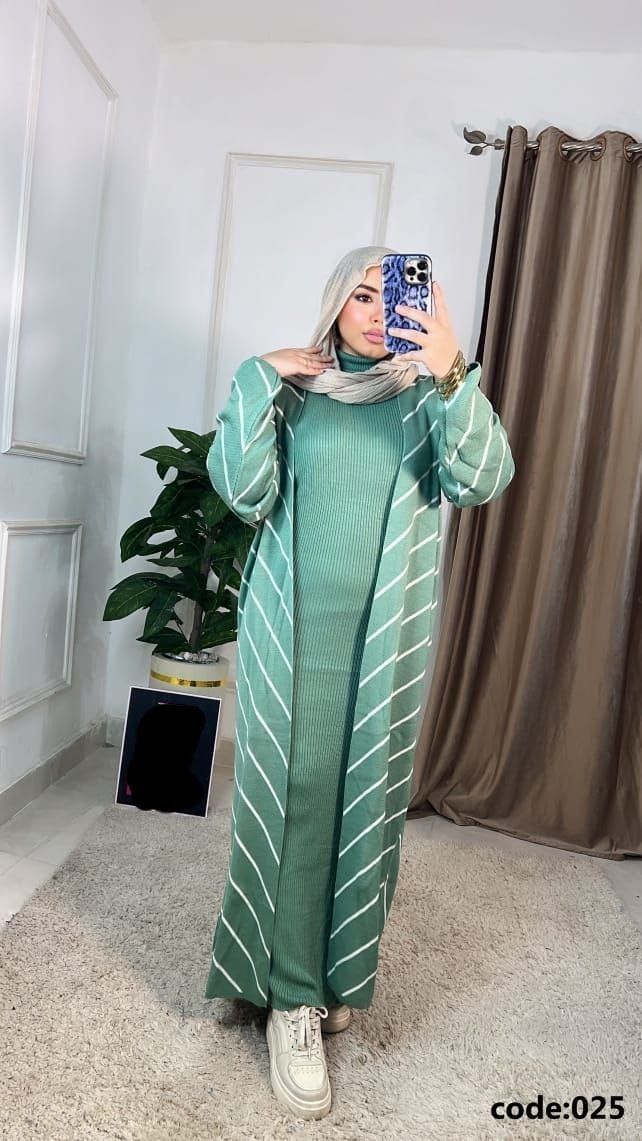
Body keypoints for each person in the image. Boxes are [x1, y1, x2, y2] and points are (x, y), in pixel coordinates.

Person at [204, 246, 515, 1121]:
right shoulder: (297, 395)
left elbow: (483, 478)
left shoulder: (426, 397)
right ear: (336, 303)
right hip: (293, 630)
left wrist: (451, 365)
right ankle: (290, 997)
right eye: (363, 295)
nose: (379, 312)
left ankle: (331, 970)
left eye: (397, 294)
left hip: (386, 640)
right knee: (295, 795)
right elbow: (244, 491)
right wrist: (257, 377)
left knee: (367, 800)